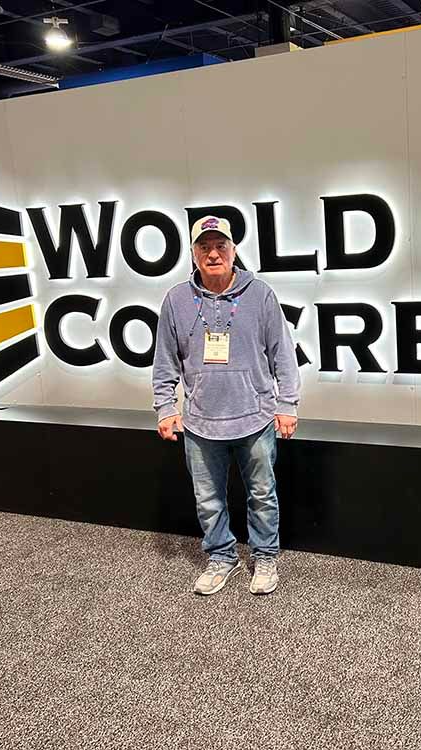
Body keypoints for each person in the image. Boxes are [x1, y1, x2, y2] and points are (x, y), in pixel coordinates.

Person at [152, 215, 301, 596]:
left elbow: (283, 354)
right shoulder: (176, 300)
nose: (213, 254)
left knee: (262, 494)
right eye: (204, 247)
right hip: (200, 422)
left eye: (221, 246)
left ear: (233, 251)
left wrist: (287, 403)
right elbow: (165, 360)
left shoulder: (260, 294)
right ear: (194, 254)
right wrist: (165, 407)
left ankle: (265, 556)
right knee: (208, 499)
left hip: (255, 418)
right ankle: (221, 556)